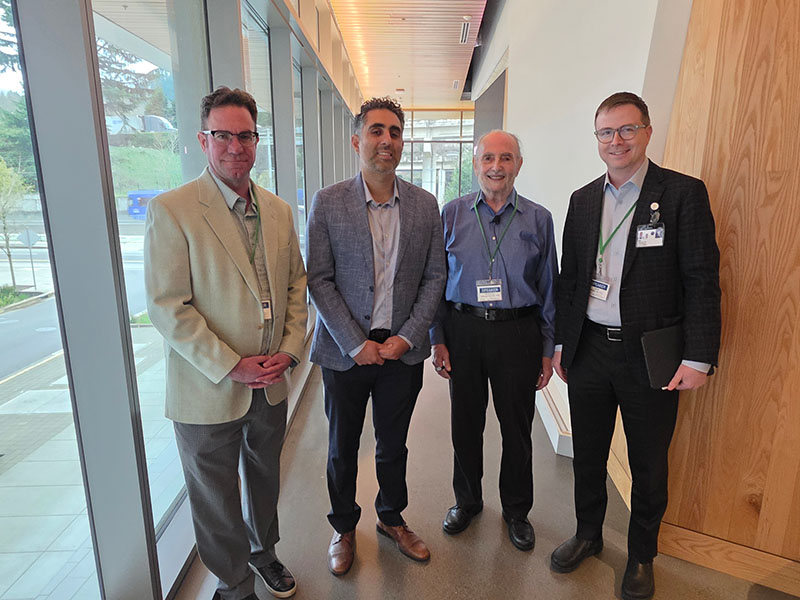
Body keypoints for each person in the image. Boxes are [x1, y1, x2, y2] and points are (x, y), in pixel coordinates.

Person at [550, 92, 721, 600]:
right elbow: (571, 279)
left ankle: (643, 554)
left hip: (652, 354)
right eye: (607, 132)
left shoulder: (682, 194)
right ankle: (588, 534)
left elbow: (702, 279)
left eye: (627, 130)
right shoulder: (583, 200)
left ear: (647, 133)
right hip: (589, 350)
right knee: (588, 454)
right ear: (597, 140)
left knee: (648, 462)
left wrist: (698, 356)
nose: (617, 140)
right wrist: (563, 343)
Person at [144, 86, 307, 600]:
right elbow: (168, 306)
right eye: (223, 135)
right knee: (214, 496)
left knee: (264, 479)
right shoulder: (173, 210)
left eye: (246, 135)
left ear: (257, 140)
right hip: (207, 386)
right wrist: (231, 364)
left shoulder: (279, 211)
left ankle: (264, 554)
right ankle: (233, 583)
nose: (235, 146)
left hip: (270, 381)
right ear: (202, 139)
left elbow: (295, 288)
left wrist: (290, 349)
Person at [307, 97, 446, 576]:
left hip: (400, 353)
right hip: (346, 353)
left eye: (394, 132)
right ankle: (344, 526)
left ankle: (390, 517)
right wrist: (353, 342)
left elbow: (435, 278)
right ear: (357, 140)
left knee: (393, 444)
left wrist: (408, 338)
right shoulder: (328, 202)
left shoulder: (426, 205)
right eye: (376, 131)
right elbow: (319, 279)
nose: (386, 141)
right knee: (342, 446)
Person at [429, 130, 558, 552]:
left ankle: (517, 510)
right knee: (466, 424)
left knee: (517, 428)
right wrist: (438, 338)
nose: (496, 166)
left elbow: (548, 287)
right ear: (475, 163)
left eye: (506, 158)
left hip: (518, 332)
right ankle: (467, 501)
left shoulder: (539, 219)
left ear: (519, 164)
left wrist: (546, 348)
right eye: (488, 158)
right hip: (463, 330)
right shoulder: (450, 215)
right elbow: (435, 283)